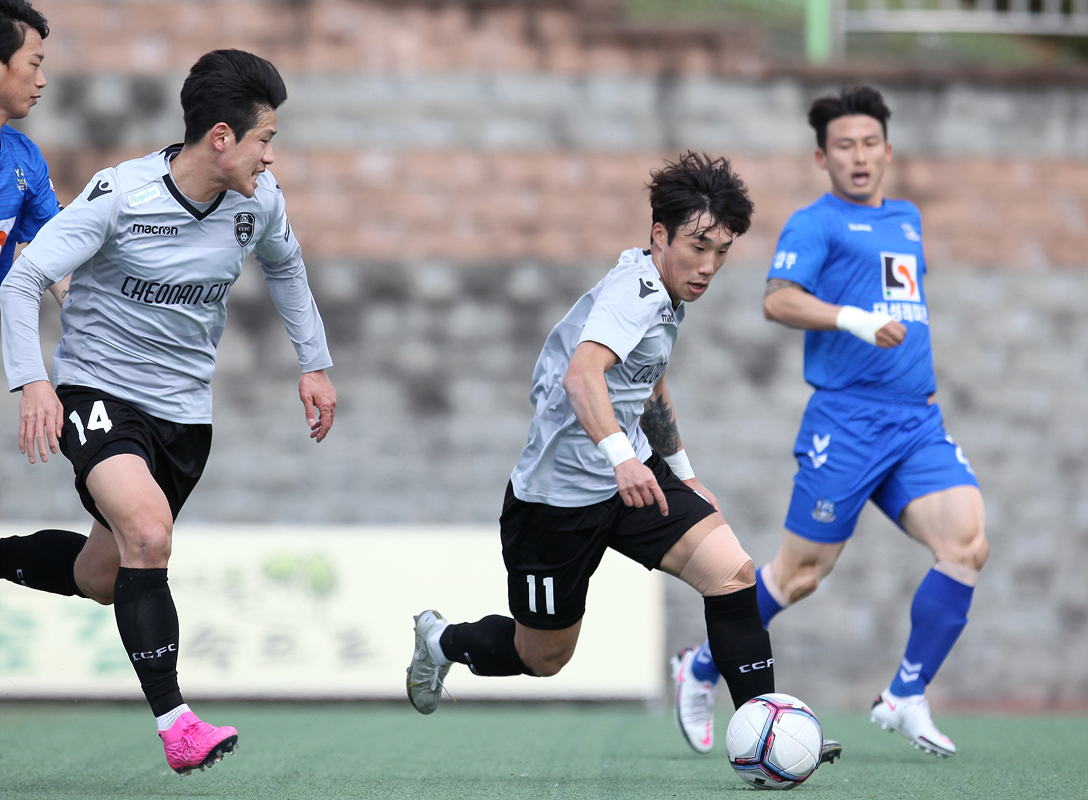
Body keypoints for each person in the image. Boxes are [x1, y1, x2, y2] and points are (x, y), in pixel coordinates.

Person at [0, 49, 336, 776]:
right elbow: (22, 279)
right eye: (265, 140)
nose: (270, 157)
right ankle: (177, 724)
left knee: (103, 574)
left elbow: (285, 266)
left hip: (184, 415)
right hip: (98, 392)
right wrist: (33, 382)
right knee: (149, 533)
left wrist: (313, 363)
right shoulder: (121, 195)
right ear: (221, 137)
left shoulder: (259, 203)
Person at [406, 153, 782, 746]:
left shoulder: (665, 293)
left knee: (732, 574)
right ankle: (441, 641)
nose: (709, 265)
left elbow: (648, 381)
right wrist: (622, 458)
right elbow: (581, 376)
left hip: (631, 477)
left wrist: (682, 473)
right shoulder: (634, 291)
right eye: (698, 246)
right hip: (556, 501)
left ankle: (766, 733)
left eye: (722, 251)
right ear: (659, 235)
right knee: (544, 656)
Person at [673, 86, 988, 759]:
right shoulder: (814, 224)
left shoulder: (907, 219)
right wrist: (853, 319)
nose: (859, 156)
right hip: (845, 424)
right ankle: (699, 666)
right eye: (844, 145)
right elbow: (778, 301)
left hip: (916, 423)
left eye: (870, 143)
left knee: (966, 545)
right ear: (823, 158)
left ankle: (905, 694)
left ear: (888, 151)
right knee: (800, 575)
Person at [0, 0, 66, 301]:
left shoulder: (25, 157)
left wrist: (85, 317)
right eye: (34, 64)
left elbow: (55, 254)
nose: (42, 80)